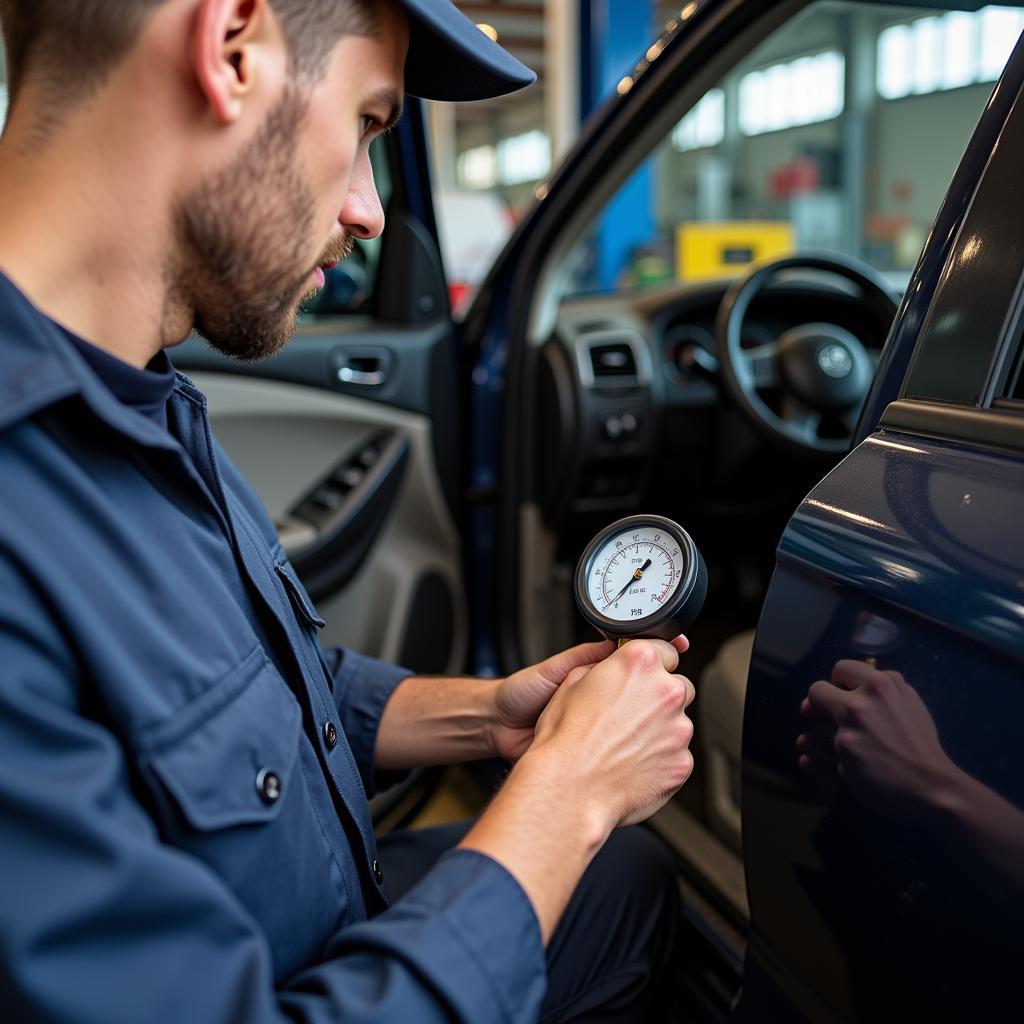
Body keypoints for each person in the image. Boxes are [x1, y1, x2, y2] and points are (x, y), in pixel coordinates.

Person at [0, 2, 698, 1021]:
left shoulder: (134, 393)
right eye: (370, 123)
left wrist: (490, 715)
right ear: (233, 48)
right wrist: (568, 794)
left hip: (322, 905)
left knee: (628, 883)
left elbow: (244, 686)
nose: (370, 211)